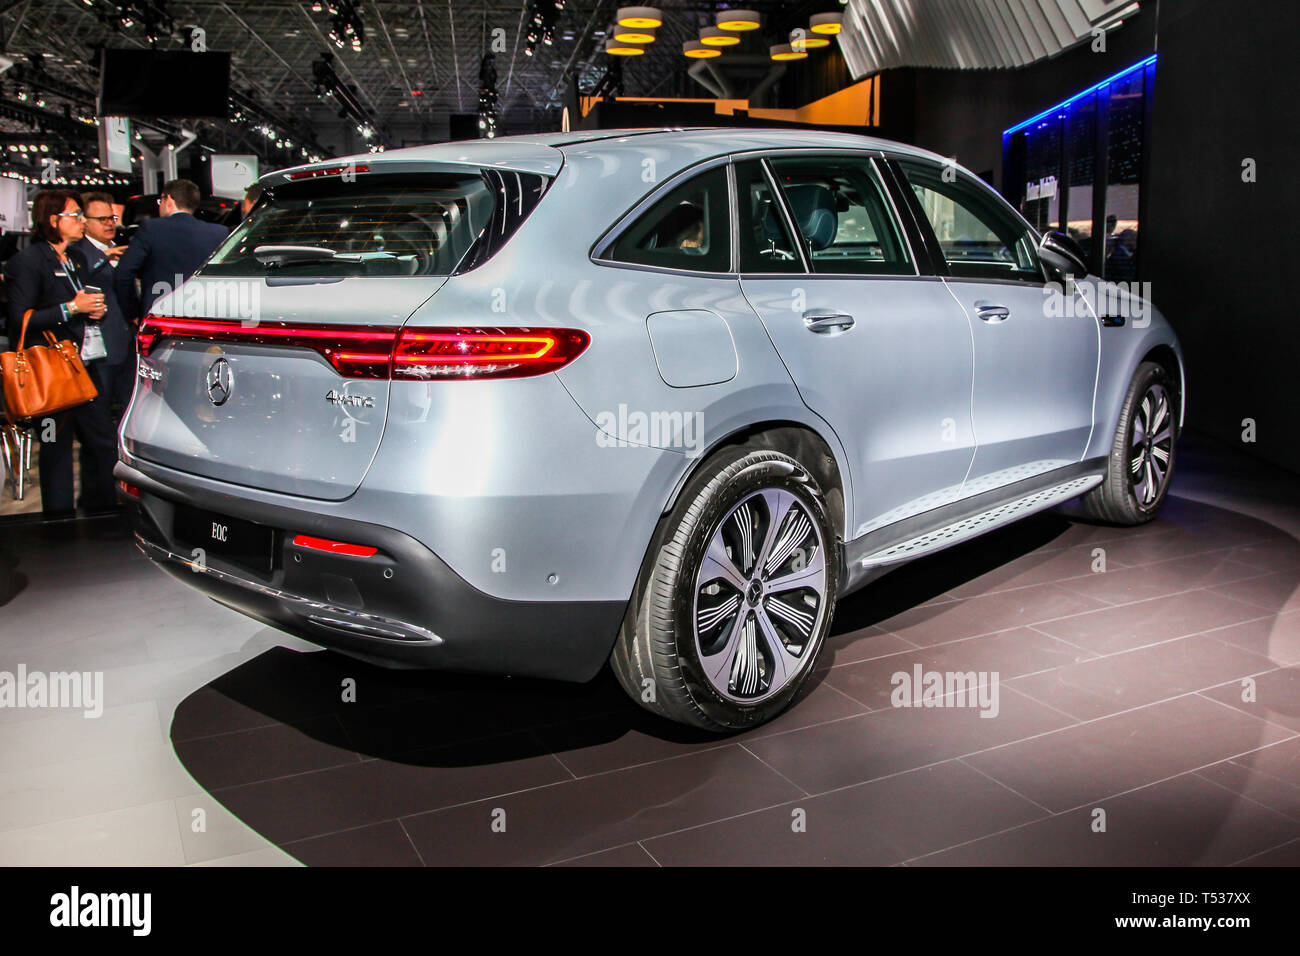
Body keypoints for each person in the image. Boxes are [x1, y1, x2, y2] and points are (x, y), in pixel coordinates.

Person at [2, 189, 120, 517]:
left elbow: (82, 300)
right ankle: (59, 523)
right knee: (56, 452)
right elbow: (21, 318)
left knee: (103, 444)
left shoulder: (77, 258)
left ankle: (102, 513)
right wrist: (71, 308)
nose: (81, 222)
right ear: (54, 220)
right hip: (51, 372)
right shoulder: (26, 262)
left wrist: (93, 310)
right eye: (74, 215)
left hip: (85, 367)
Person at [114, 178, 228, 322]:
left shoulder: (151, 228)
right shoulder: (219, 233)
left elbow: (123, 274)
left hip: (159, 316)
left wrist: (132, 312)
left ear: (168, 199)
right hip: (205, 316)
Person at [75, 191, 136, 419]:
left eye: (111, 218)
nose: (109, 223)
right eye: (102, 220)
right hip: (97, 346)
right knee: (97, 412)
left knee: (127, 408)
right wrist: (105, 256)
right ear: (85, 221)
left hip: (125, 340)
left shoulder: (120, 249)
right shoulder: (79, 253)